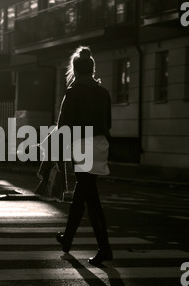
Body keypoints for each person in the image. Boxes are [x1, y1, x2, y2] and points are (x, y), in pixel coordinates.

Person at [56, 46, 113, 266]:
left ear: (75, 71)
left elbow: (63, 126)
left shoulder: (73, 92)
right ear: (92, 69)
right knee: (82, 194)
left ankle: (105, 248)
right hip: (100, 145)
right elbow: (108, 123)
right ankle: (67, 239)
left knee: (92, 199)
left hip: (81, 147)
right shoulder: (104, 93)